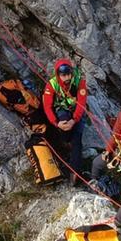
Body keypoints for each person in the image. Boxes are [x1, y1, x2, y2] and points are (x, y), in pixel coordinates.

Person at [42, 57, 88, 185]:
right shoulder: (52, 85)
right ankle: (65, 141)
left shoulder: (79, 82)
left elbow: (81, 104)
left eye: (68, 74)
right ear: (58, 75)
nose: (67, 78)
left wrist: (75, 120)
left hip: (76, 112)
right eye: (63, 75)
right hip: (62, 109)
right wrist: (56, 123)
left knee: (77, 138)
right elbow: (47, 106)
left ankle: (75, 172)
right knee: (64, 123)